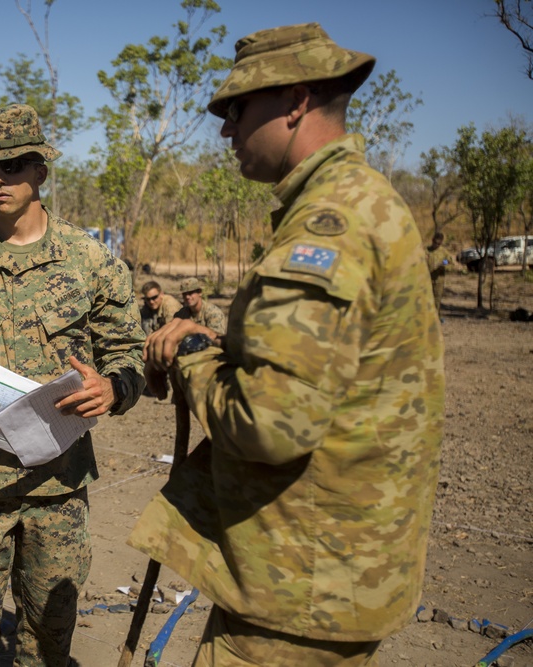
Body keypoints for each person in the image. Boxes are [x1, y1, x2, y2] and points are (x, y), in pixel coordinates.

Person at [128, 23, 444, 666]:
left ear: (295, 101)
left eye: (236, 109)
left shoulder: (329, 226)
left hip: (295, 591)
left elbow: (270, 422)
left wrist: (193, 358)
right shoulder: (366, 201)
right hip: (332, 575)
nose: (225, 129)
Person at [0, 103, 145, 666]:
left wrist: (114, 389)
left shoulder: (91, 261)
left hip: (58, 492)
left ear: (41, 170)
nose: (0, 177)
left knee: (46, 646)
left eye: (15, 165)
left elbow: (129, 353)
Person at [174, 277, 227, 342]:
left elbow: (217, 339)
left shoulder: (213, 313)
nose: (187, 297)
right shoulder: (181, 313)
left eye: (190, 293)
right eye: (184, 294)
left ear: (200, 292)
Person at [426, 231, 455, 314]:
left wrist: (444, 266)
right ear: (432, 240)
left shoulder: (444, 253)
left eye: (439, 243)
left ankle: (436, 320)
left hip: (439, 281)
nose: (437, 245)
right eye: (435, 242)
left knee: (437, 301)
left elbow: (451, 264)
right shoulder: (426, 251)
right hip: (427, 280)